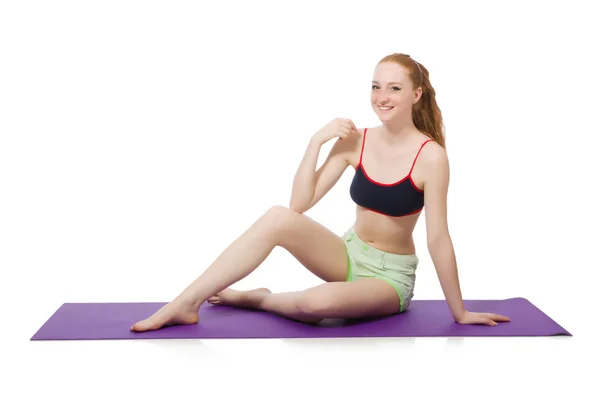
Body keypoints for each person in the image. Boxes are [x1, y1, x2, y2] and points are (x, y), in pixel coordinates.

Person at [130, 53, 510, 332]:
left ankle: (257, 297)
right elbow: (298, 205)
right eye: (376, 86)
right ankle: (185, 302)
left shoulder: (432, 157)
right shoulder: (355, 141)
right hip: (346, 254)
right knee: (279, 215)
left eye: (395, 88)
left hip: (388, 279)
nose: (382, 96)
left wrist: (459, 312)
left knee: (316, 304)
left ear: (416, 95)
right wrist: (316, 141)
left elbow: (438, 238)